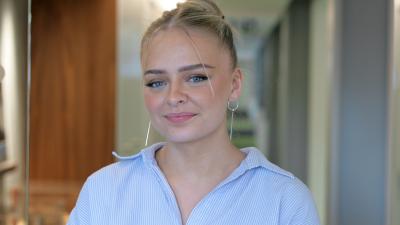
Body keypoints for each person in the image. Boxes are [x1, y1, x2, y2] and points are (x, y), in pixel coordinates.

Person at [67, 0, 320, 224]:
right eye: (157, 82)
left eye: (196, 78)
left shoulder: (285, 201)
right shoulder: (103, 191)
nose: (174, 96)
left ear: (234, 85)